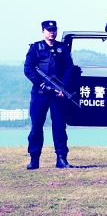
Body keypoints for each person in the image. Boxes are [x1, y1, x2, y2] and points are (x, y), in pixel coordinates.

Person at [24, 21, 75, 170]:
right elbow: (28, 69)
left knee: (59, 127)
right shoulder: (35, 48)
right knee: (36, 126)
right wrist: (41, 84)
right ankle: (34, 159)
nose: (52, 33)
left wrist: (63, 87)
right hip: (40, 94)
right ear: (43, 32)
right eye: (49, 30)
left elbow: (69, 69)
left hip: (57, 95)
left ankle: (61, 159)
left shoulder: (62, 48)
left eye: (54, 30)